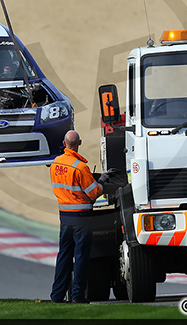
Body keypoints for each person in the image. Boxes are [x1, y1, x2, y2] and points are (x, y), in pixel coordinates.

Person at [48, 130, 111, 304]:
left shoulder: (55, 164)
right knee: (81, 257)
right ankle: (77, 296)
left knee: (64, 256)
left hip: (65, 217)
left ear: (64, 142)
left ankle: (57, 295)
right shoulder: (81, 167)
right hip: (82, 218)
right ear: (79, 143)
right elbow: (93, 193)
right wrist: (102, 180)